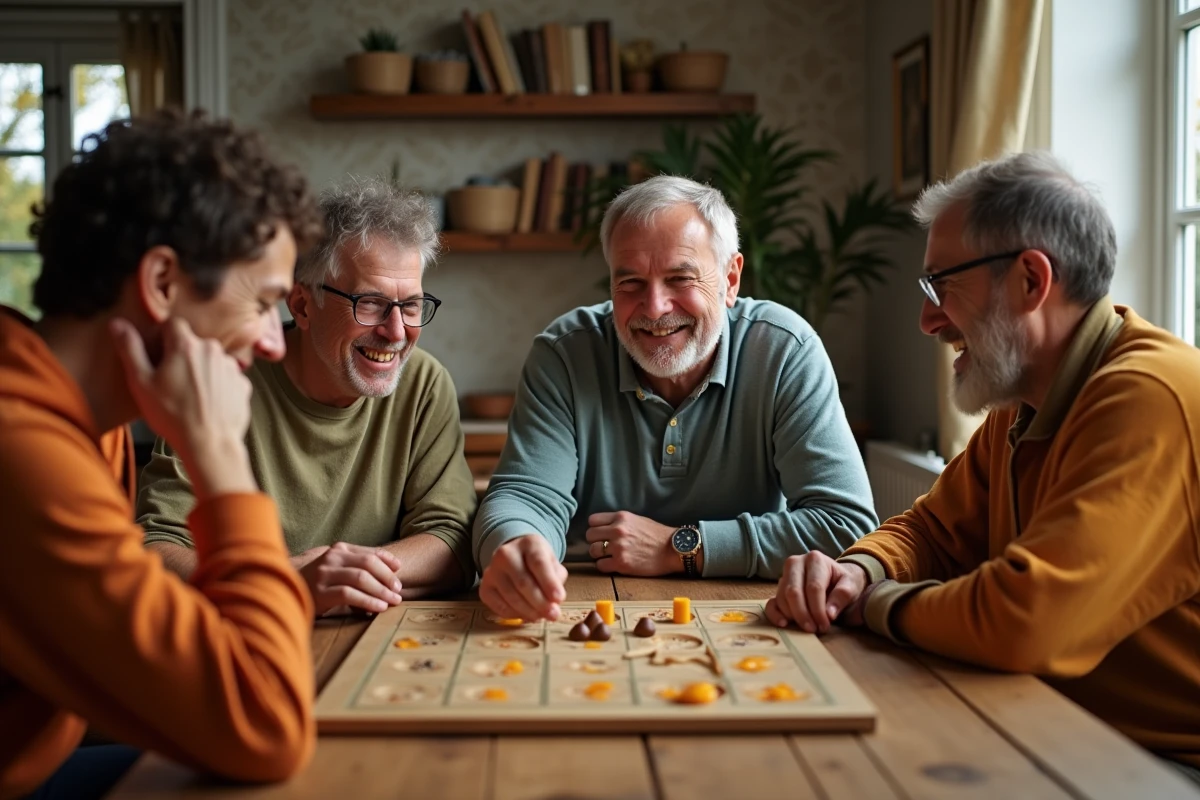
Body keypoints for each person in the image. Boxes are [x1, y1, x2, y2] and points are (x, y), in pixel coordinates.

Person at [765, 151, 1200, 781]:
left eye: (942, 285)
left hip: (1164, 764)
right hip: (1053, 726)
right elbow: (932, 531)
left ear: (1030, 280)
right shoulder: (1026, 400)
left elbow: (1026, 622)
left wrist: (874, 604)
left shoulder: (1150, 397)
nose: (927, 320)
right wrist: (858, 570)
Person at [0, 109, 325, 798]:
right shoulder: (23, 450)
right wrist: (221, 459)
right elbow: (264, 724)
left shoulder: (93, 420)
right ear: (163, 284)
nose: (274, 342)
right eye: (264, 303)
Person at [474, 175, 877, 622]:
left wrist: (678, 547)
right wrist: (518, 545)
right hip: (585, 604)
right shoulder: (564, 354)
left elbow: (846, 525)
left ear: (730, 279)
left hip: (753, 612)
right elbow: (524, 496)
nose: (654, 307)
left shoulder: (784, 351)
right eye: (630, 282)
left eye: (680, 278)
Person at [138, 177, 476, 617]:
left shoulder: (425, 385)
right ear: (301, 305)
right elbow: (158, 547)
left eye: (410, 306)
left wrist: (344, 574)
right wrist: (289, 582)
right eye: (370, 303)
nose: (396, 332)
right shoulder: (219, 381)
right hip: (246, 629)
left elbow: (452, 540)